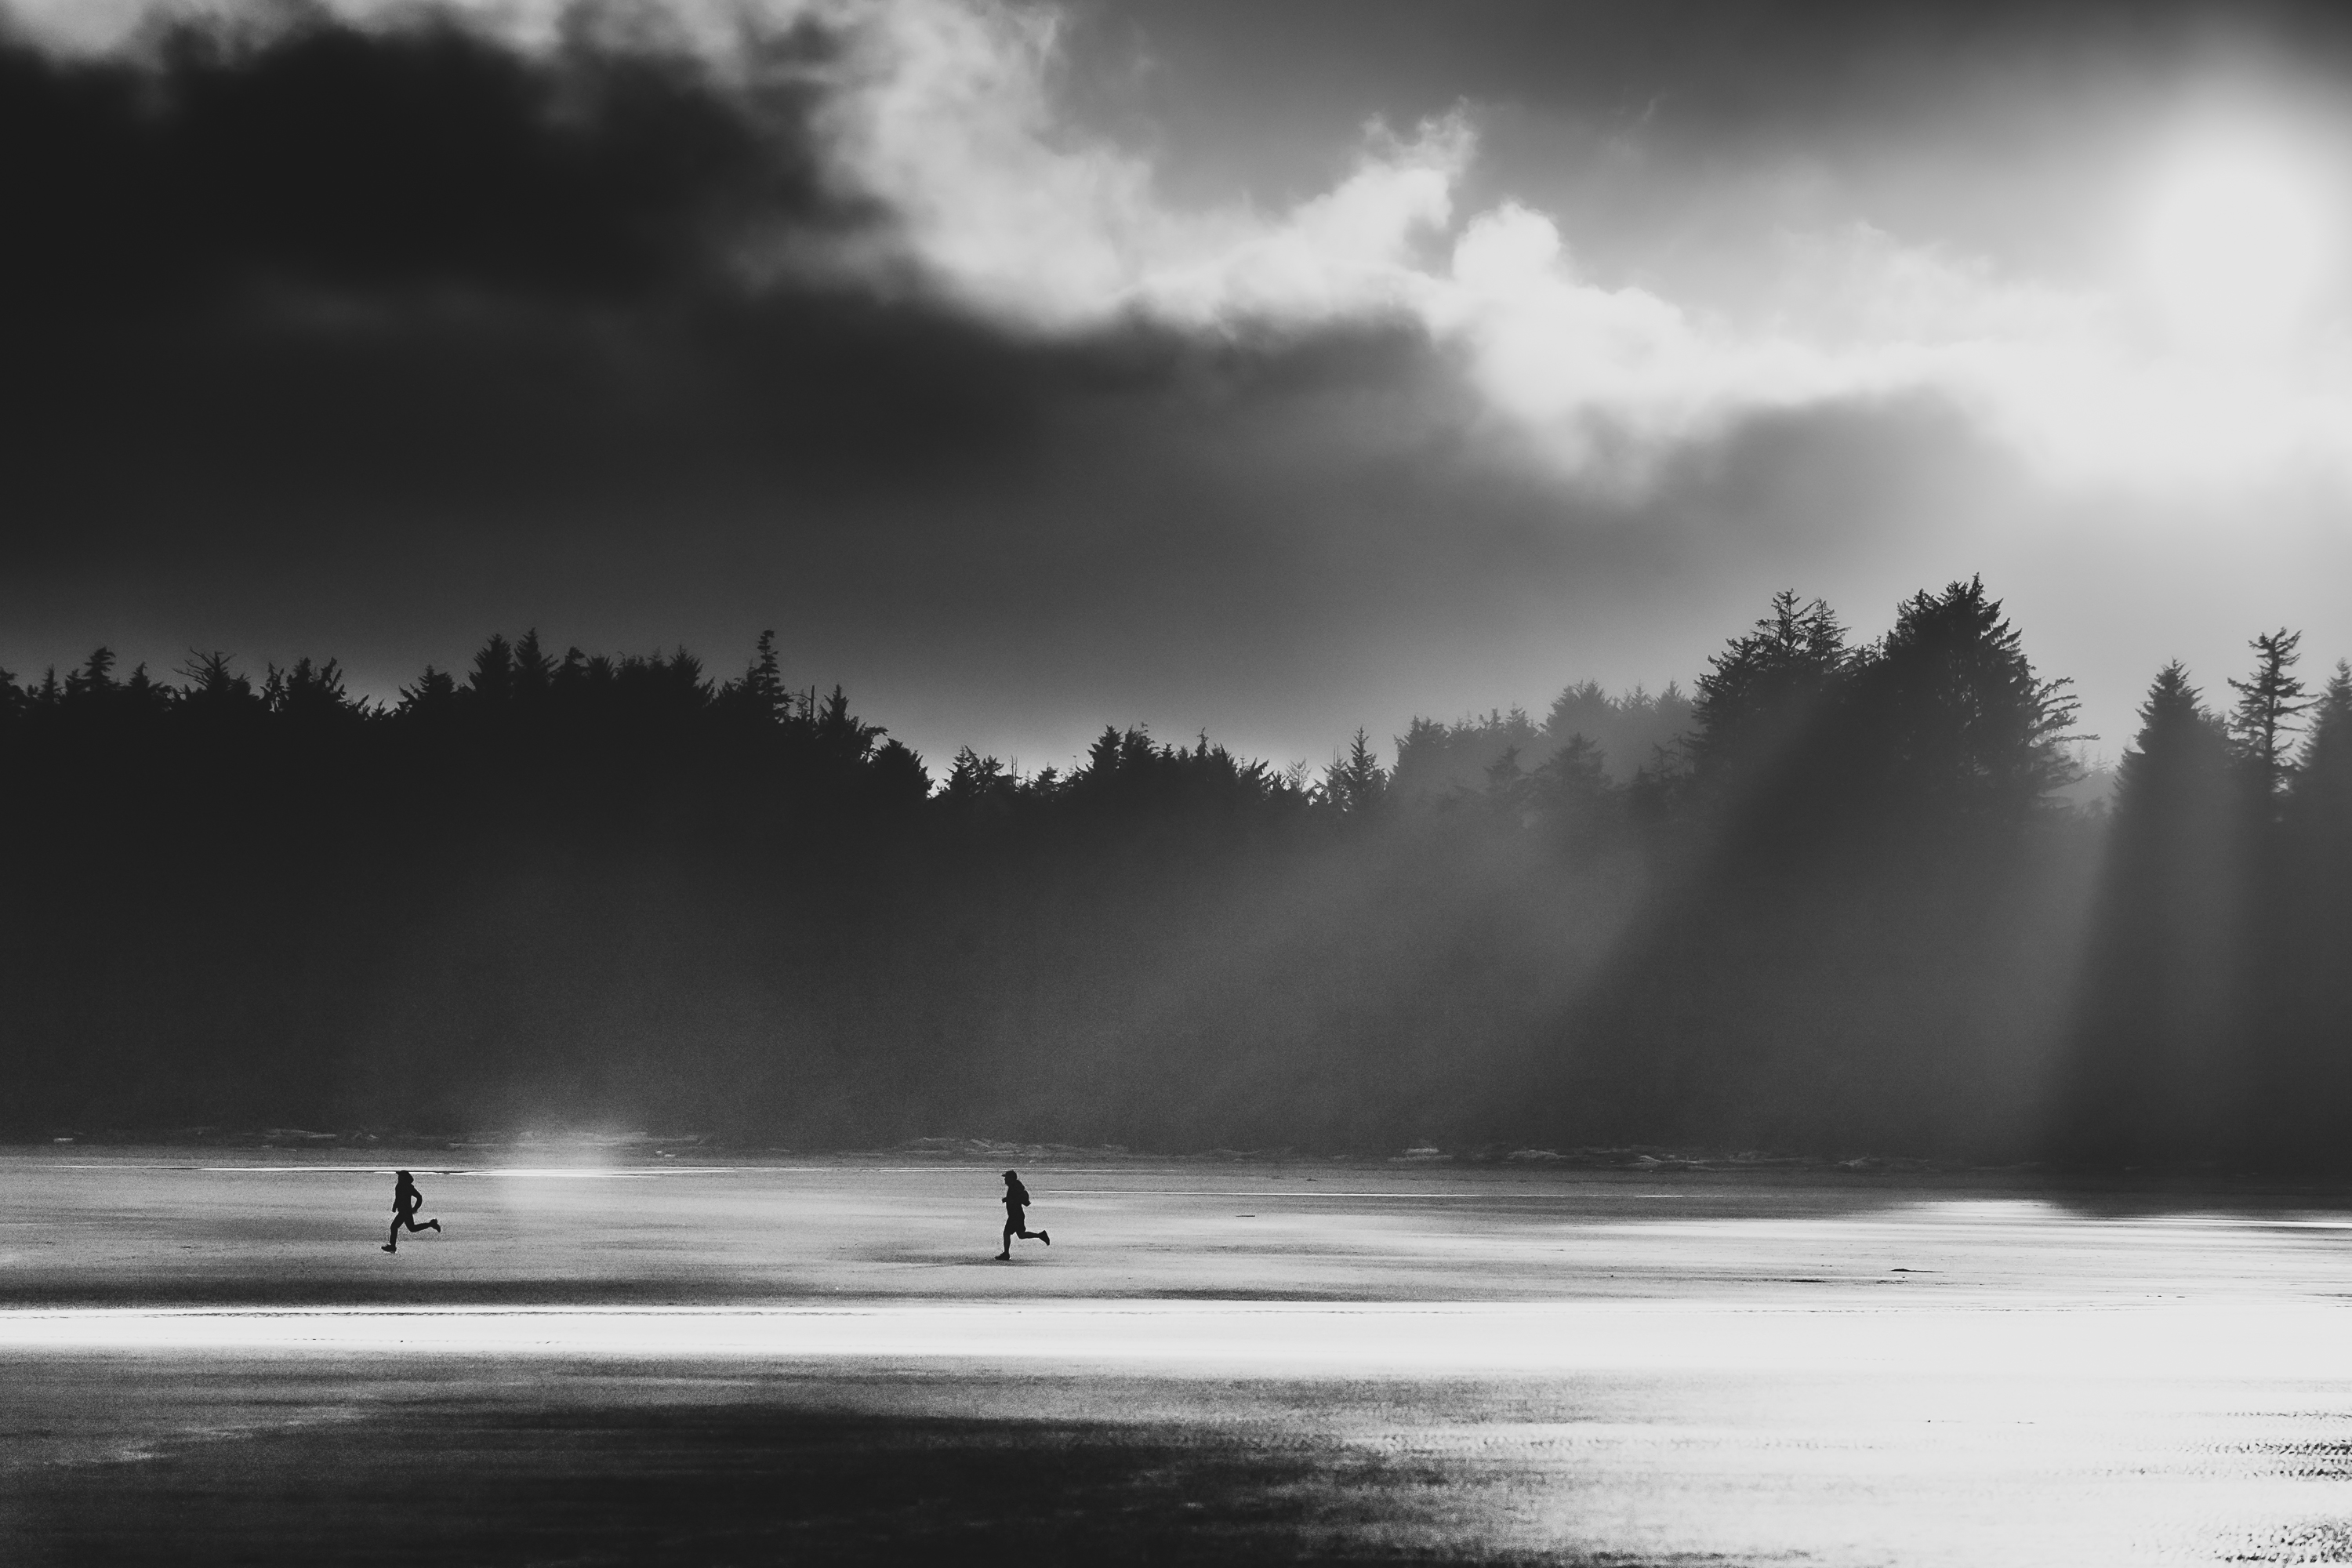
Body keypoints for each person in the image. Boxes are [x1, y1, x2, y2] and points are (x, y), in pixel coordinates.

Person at [382, 1169, 441, 1253]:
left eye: (400, 1176)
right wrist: (395, 1206)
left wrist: (416, 1208)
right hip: (403, 1211)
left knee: (395, 1227)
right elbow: (398, 1198)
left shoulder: (408, 1187)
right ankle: (431, 1224)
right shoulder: (399, 1186)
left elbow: (419, 1197)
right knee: (411, 1228)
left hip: (406, 1211)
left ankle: (392, 1246)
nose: (398, 1177)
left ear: (404, 1178)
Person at [995, 1168, 1049, 1260]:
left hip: (1015, 1216)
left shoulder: (1015, 1187)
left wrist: (1008, 1199)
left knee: (1007, 1233)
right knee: (1021, 1235)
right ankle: (1040, 1235)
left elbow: (1017, 1199)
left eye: (1006, 1178)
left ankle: (1006, 1254)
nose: (1005, 1180)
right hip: (1017, 1215)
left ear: (1011, 1179)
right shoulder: (1015, 1187)